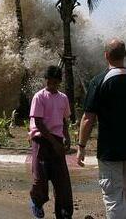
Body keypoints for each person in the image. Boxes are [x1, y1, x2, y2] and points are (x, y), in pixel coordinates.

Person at [77, 39, 126, 218]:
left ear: (106, 55)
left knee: (113, 197)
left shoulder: (99, 81)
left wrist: (81, 147)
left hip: (109, 151)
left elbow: (88, 118)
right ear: (124, 55)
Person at [28, 65, 73, 219]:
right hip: (41, 140)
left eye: (55, 82)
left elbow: (63, 119)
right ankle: (37, 202)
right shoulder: (39, 97)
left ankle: (64, 213)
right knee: (40, 178)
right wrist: (54, 143)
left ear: (59, 82)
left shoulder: (63, 98)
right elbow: (39, 122)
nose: (52, 85)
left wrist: (66, 136)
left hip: (57, 140)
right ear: (46, 80)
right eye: (50, 82)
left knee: (62, 181)